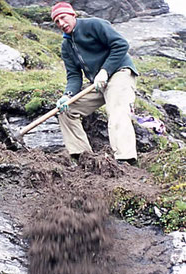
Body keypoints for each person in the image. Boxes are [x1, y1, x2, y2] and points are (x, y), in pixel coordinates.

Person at [51, 2, 139, 165]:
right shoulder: (66, 46)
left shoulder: (94, 25)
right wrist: (67, 96)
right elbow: (74, 76)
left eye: (63, 17)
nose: (61, 23)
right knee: (66, 111)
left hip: (119, 72)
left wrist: (105, 70)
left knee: (117, 108)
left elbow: (121, 45)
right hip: (98, 84)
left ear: (72, 15)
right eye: (56, 21)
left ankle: (125, 160)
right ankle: (83, 157)